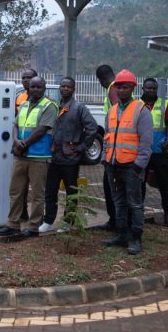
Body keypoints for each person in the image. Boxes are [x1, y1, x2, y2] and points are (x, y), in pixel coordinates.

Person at [0, 76, 58, 237]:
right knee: (15, 191)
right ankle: (13, 224)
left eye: (38, 87)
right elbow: (16, 125)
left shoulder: (49, 106)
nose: (35, 89)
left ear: (44, 89)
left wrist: (23, 144)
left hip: (38, 156)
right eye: (32, 86)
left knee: (37, 194)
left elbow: (42, 129)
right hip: (20, 155)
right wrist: (16, 140)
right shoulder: (24, 104)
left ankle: (33, 227)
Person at [101, 69, 153, 255]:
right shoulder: (112, 110)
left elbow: (146, 142)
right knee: (119, 202)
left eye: (125, 87)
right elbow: (107, 137)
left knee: (135, 204)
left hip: (132, 166)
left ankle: (135, 238)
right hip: (113, 165)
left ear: (132, 88)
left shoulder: (141, 110)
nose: (121, 90)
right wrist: (105, 159)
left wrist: (138, 166)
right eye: (118, 87)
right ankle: (121, 235)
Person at [38, 77, 97, 233]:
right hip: (54, 157)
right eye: (63, 86)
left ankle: (68, 222)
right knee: (50, 191)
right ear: (59, 88)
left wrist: (82, 147)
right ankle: (48, 220)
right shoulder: (55, 106)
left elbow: (92, 128)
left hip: (70, 158)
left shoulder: (79, 108)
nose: (65, 89)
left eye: (68, 86)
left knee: (71, 192)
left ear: (73, 89)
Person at [140, 77, 168, 227]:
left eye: (154, 88)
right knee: (140, 183)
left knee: (164, 183)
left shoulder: (164, 104)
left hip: (159, 150)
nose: (152, 90)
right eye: (149, 88)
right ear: (143, 89)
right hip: (142, 151)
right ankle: (138, 213)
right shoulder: (136, 104)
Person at [95, 64, 118, 231]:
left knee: (110, 185)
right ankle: (115, 220)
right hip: (116, 143)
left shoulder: (113, 89)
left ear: (101, 80)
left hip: (115, 145)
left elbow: (118, 115)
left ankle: (115, 221)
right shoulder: (118, 87)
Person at [15, 68, 38, 221]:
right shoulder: (19, 98)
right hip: (20, 148)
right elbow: (15, 121)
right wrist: (16, 141)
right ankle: (22, 213)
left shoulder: (44, 100)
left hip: (36, 148)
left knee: (37, 187)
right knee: (20, 185)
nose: (25, 80)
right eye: (23, 78)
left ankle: (38, 218)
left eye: (29, 77)